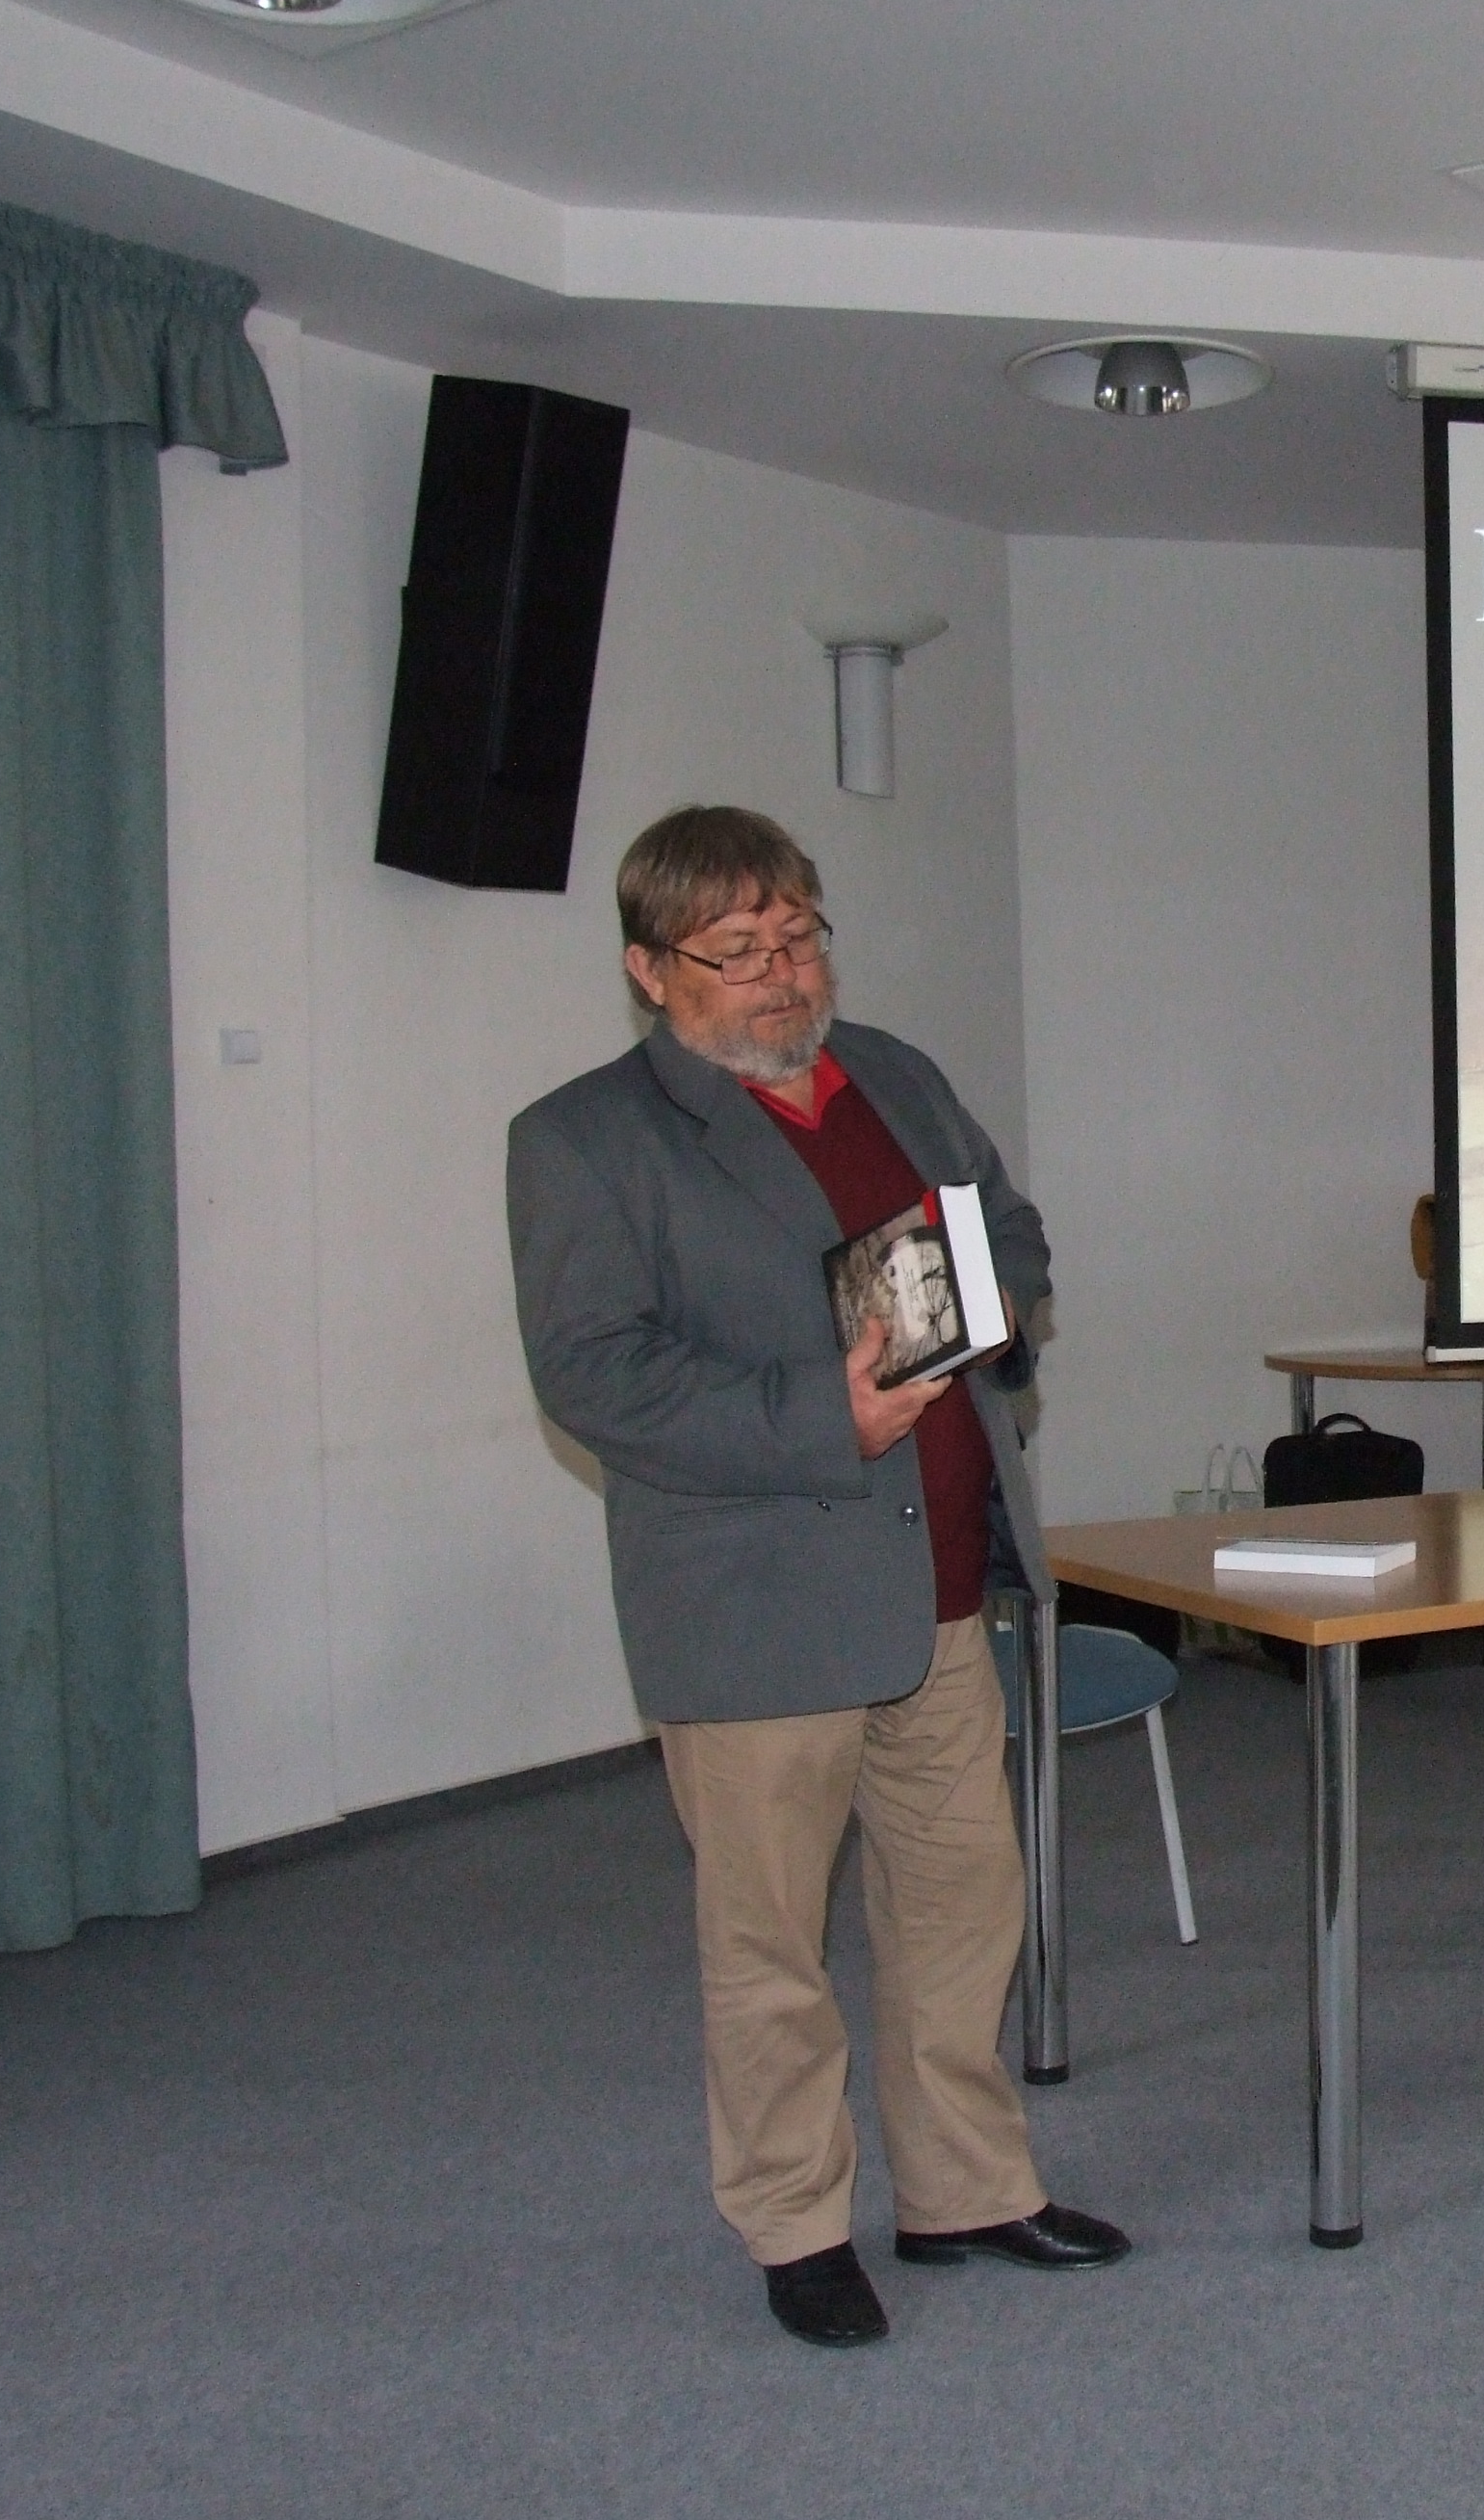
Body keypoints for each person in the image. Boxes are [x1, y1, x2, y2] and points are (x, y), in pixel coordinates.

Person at [507, 804, 1127, 2349]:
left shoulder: (895, 1073)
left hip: (939, 1584)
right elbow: (596, 1376)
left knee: (961, 1909)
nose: (783, 975)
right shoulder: (583, 1140)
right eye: (738, 952)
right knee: (770, 1947)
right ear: (651, 970)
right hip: (755, 1609)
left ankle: (964, 2191)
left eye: (798, 937)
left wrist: (980, 1308)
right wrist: (820, 1412)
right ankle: (795, 2225)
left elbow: (1013, 1234)